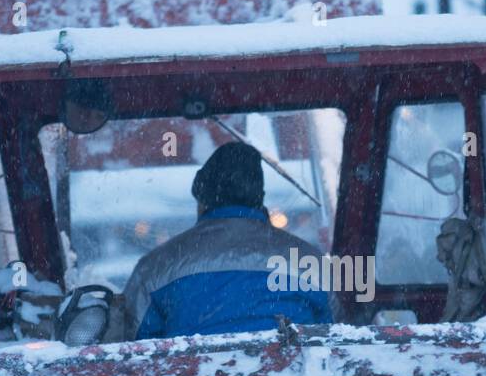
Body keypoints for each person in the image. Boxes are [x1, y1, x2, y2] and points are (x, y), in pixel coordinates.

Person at [122, 142, 332, 339]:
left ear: (202, 201)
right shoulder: (309, 261)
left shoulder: (157, 266)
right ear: (259, 198)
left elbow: (131, 344)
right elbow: (337, 335)